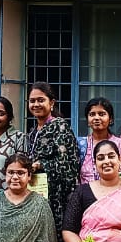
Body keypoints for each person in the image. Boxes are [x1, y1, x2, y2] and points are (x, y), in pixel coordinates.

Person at [25, 82, 80, 228]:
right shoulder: (33, 132)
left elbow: (68, 167)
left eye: (41, 100)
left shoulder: (60, 126)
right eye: (32, 101)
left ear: (52, 103)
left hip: (57, 198)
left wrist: (40, 165)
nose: (36, 104)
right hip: (36, 194)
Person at [77, 96, 121, 184]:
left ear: (110, 119)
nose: (96, 118)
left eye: (101, 114)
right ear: (88, 120)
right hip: (86, 191)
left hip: (114, 191)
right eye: (92, 114)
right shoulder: (80, 144)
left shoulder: (120, 144)